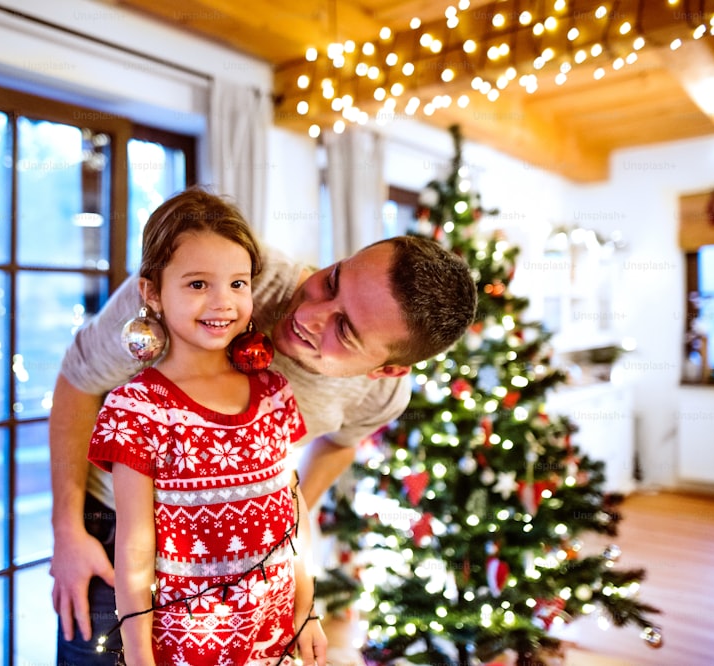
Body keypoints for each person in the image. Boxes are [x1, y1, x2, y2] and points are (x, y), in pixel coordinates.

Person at [50, 190, 478, 664]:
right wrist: (68, 529)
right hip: (113, 532)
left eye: (345, 330)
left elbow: (340, 444)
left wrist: (276, 536)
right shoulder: (221, 271)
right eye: (332, 279)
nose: (308, 315)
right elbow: (78, 380)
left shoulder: (379, 396)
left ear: (385, 370)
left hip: (240, 572)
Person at [85, 188, 326, 665]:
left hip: (274, 636)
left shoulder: (273, 390)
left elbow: (293, 516)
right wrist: (138, 656)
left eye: (238, 284)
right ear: (151, 291)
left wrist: (308, 612)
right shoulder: (139, 409)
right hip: (186, 646)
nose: (223, 303)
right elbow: (134, 549)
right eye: (198, 284)